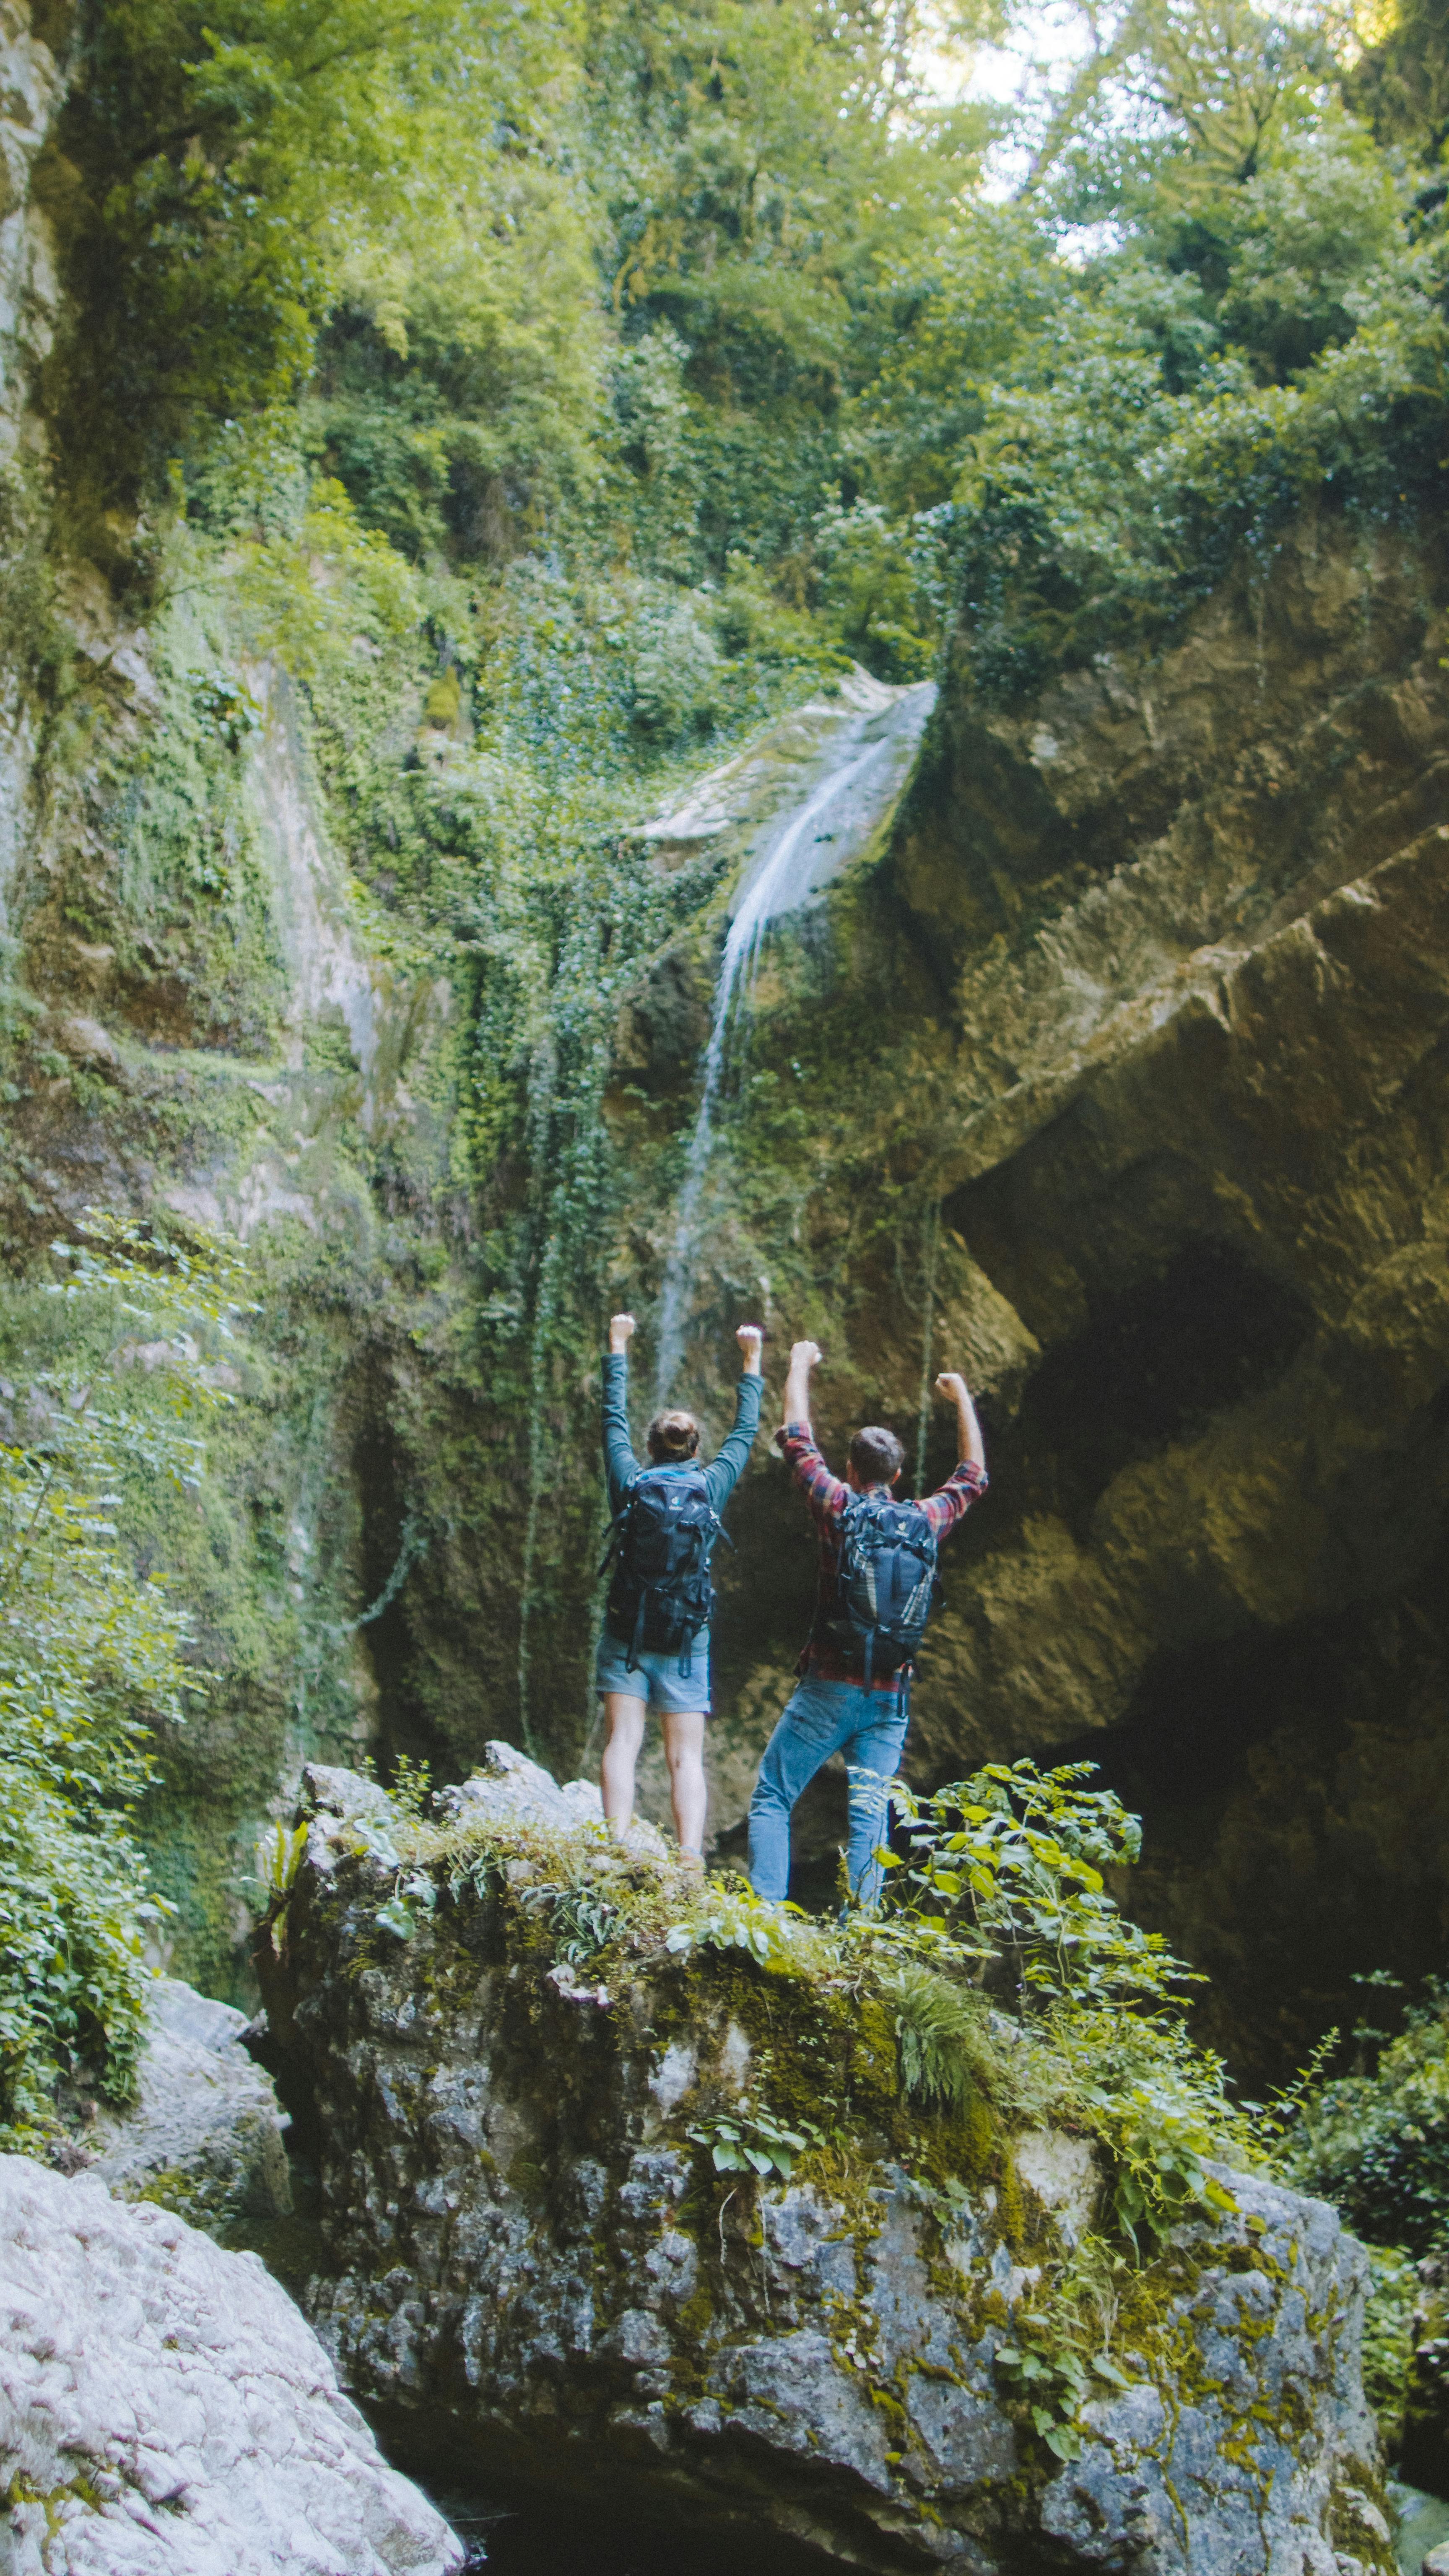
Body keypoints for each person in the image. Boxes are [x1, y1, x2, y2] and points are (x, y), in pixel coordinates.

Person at [748, 1339, 987, 1909]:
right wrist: (962, 1401)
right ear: (900, 1474)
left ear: (851, 1470)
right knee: (869, 1819)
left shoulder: (839, 1508)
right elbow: (973, 1476)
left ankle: (763, 1919)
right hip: (890, 1696)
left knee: (773, 1798)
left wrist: (798, 1365)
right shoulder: (926, 1520)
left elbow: (798, 1442)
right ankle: (862, 1939)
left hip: (828, 1684)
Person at [597, 1311, 763, 1863]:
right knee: (685, 1757)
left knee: (622, 1741)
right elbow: (745, 1432)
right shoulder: (711, 1485)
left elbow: (611, 1422)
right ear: (697, 1451)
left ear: (649, 1448)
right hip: (688, 1638)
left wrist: (617, 1345)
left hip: (628, 1630)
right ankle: (690, 1857)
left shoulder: (630, 1482)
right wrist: (751, 1360)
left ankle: (615, 1847)